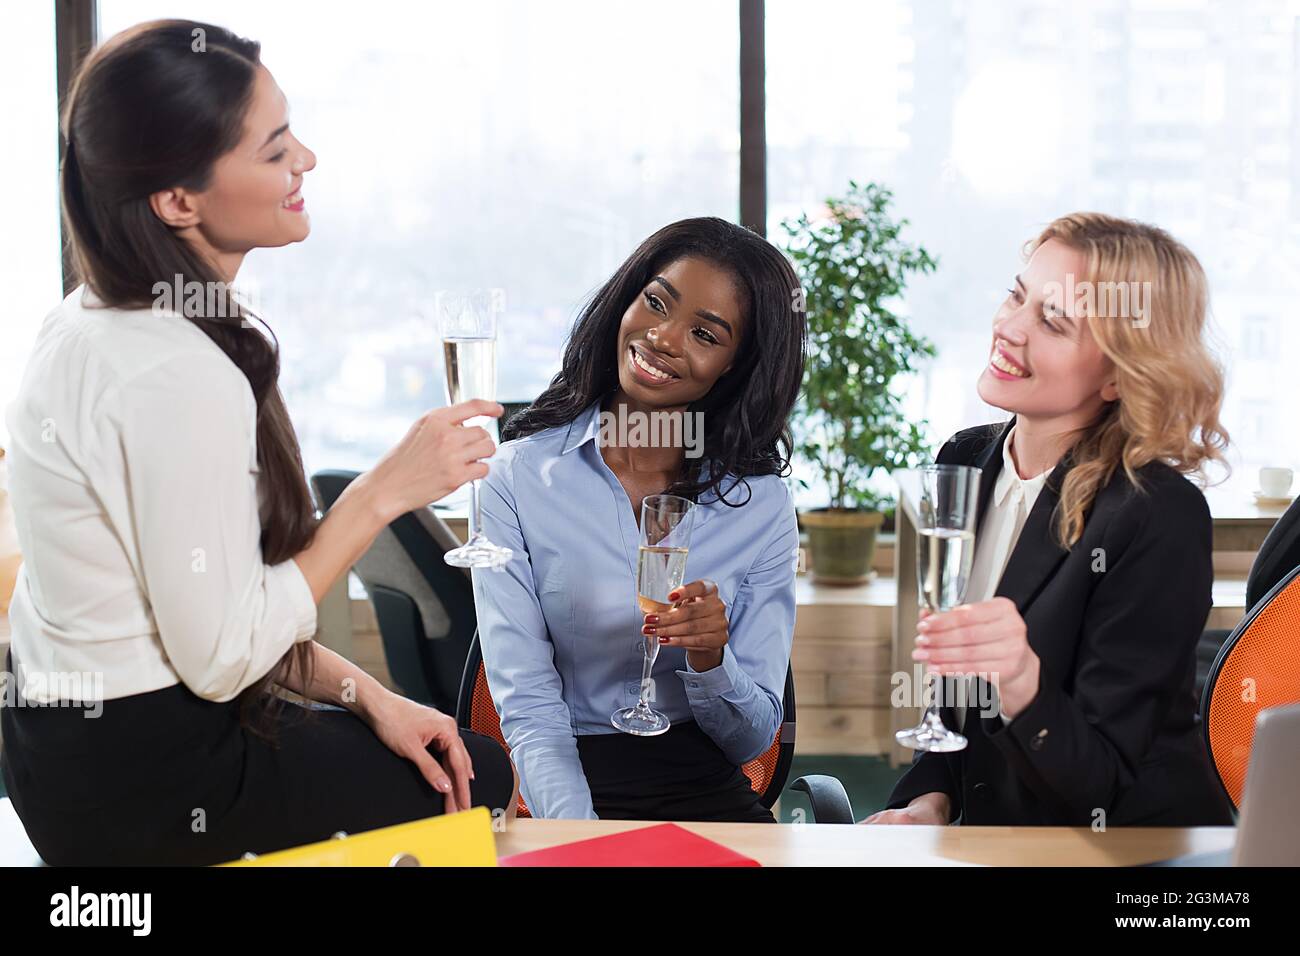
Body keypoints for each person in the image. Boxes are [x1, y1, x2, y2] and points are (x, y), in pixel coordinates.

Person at [0, 20, 514, 866]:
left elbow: (209, 613)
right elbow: (221, 655)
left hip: (57, 754)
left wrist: (369, 696)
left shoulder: (89, 320)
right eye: (274, 150)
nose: (305, 159)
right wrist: (379, 495)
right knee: (479, 776)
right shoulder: (172, 368)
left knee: (435, 749)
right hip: (149, 780)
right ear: (178, 201)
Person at [865, 212, 1235, 827]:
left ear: (1120, 374)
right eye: (1017, 294)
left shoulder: (1157, 513)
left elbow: (1102, 785)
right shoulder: (965, 460)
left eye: (1053, 321)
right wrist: (928, 800)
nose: (1009, 328)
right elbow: (957, 714)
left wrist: (1021, 679)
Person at [471, 217, 807, 821]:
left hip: (705, 788)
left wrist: (711, 660)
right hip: (565, 784)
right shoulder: (516, 478)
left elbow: (754, 739)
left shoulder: (761, 504)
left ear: (735, 365)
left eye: (705, 333)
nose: (662, 338)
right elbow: (528, 705)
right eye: (656, 303)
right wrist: (586, 843)